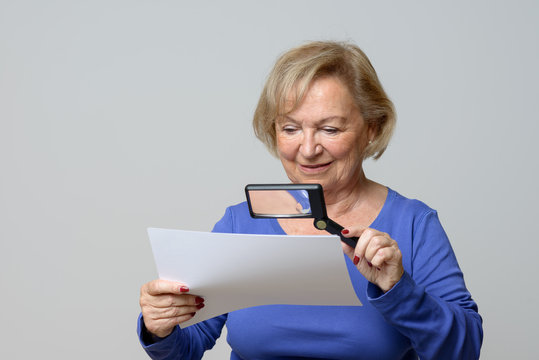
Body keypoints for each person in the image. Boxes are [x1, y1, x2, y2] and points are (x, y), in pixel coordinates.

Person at [137, 41, 483, 359]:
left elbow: (463, 350)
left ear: (372, 128)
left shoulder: (412, 224)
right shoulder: (238, 224)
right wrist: (160, 327)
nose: (307, 149)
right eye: (290, 129)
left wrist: (398, 288)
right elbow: (186, 348)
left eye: (330, 129)